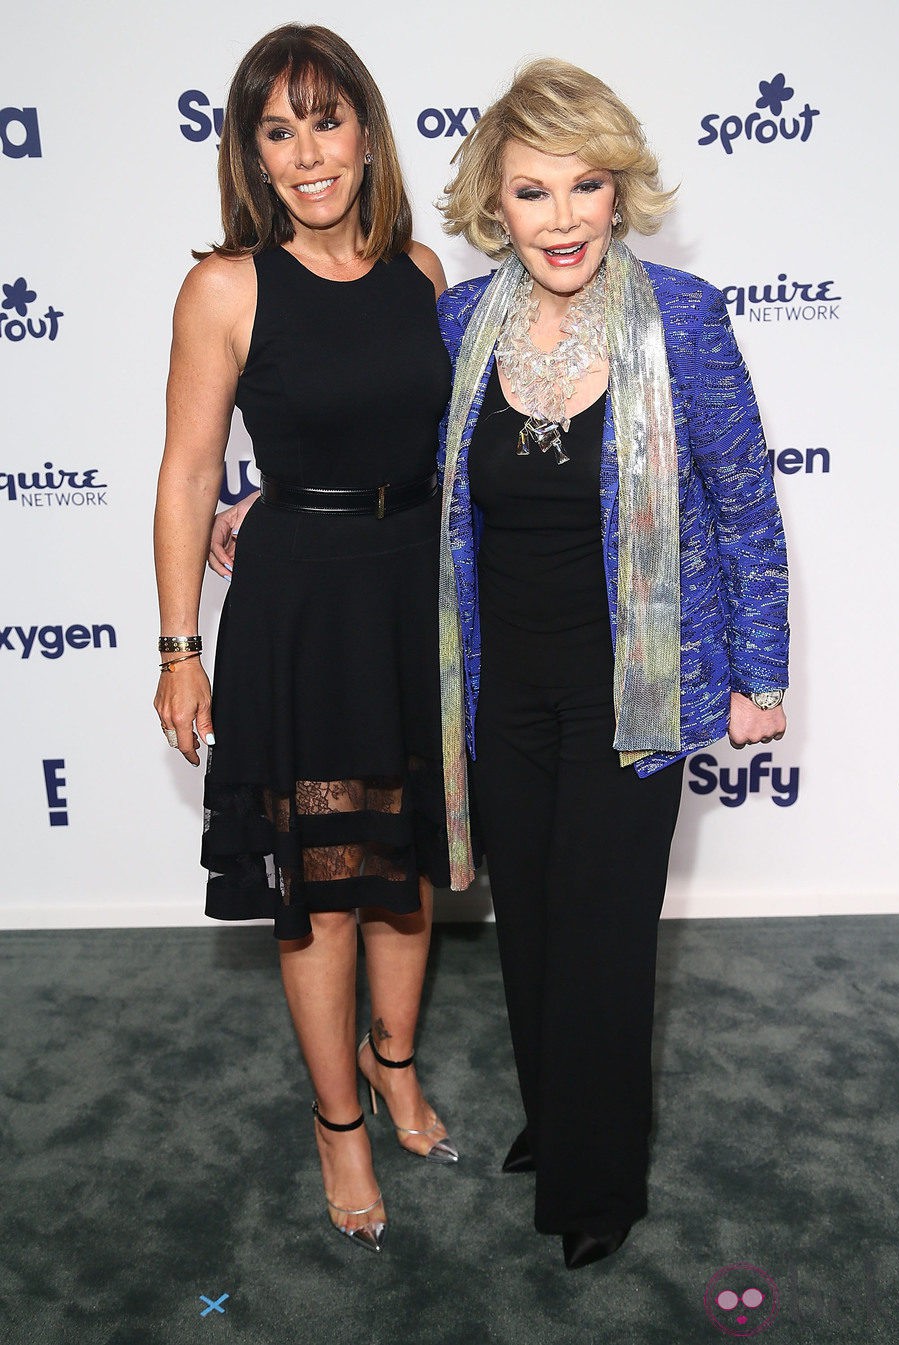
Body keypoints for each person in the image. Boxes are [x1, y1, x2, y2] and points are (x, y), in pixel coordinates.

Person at [435, 59, 789, 1269]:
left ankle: (598, 1183)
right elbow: (408, 480)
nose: (564, 216)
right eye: (532, 192)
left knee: (601, 936)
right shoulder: (457, 325)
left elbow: (743, 507)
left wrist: (761, 671)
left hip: (630, 691)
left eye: (587, 185)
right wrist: (271, 502)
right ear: (496, 203)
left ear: (619, 189)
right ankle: (561, 1114)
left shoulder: (680, 317)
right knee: (525, 924)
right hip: (499, 691)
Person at [153, 23, 458, 1257]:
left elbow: (437, 441)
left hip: (408, 594)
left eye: (324, 120)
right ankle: (339, 1120)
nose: (306, 151)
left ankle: (395, 1065)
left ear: (367, 131)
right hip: (297, 610)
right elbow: (183, 475)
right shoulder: (225, 285)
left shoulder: (424, 272)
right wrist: (179, 644)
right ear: (252, 154)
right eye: (276, 131)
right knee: (324, 889)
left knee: (406, 871)